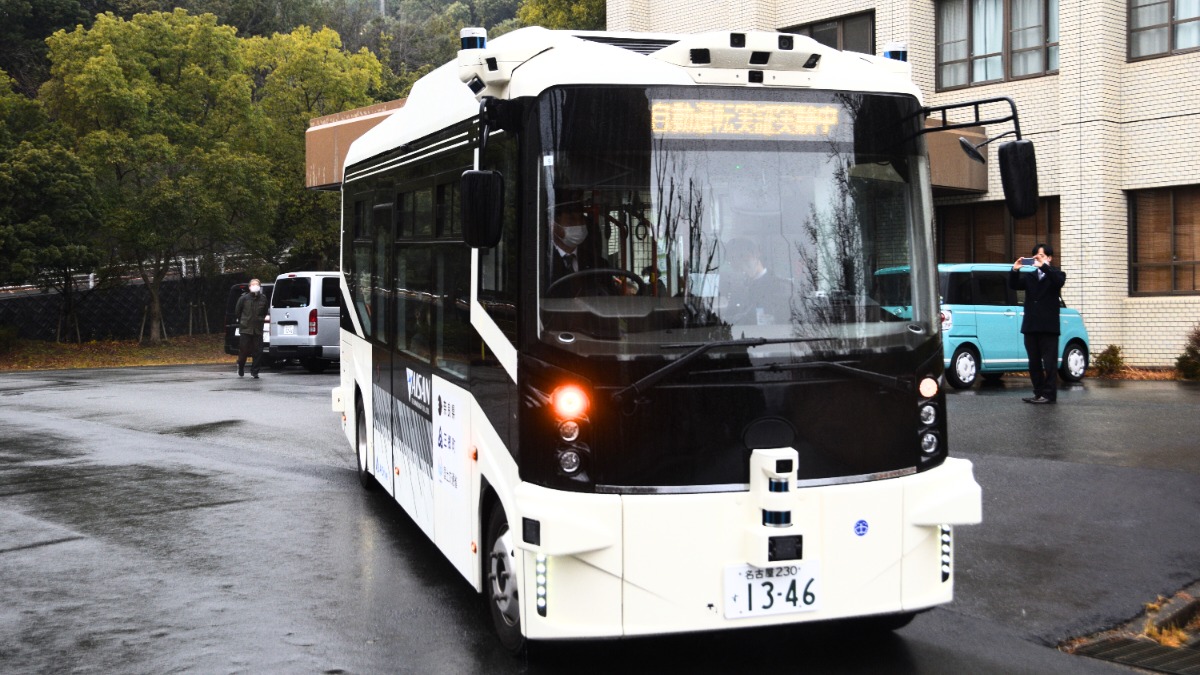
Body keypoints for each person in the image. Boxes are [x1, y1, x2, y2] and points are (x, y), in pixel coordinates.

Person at [1009, 243, 1066, 404]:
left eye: (1042, 256)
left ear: (1049, 258)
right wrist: (1015, 269)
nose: (1039, 259)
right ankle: (1038, 392)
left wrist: (1045, 267)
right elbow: (1013, 285)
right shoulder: (1030, 276)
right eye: (1036, 257)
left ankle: (1049, 395)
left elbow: (1058, 282)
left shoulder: (1056, 273)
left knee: (1049, 363)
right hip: (1031, 326)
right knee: (1034, 363)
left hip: (1049, 327)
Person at [723, 238, 791, 325]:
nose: (742, 263)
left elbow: (788, 322)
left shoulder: (781, 287)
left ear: (756, 254)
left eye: (745, 257)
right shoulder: (738, 289)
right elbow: (728, 322)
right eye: (735, 260)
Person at [234, 279, 270, 378]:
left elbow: (265, 311)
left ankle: (255, 371)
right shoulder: (244, 298)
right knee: (244, 351)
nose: (255, 286)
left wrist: (261, 319)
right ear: (249, 287)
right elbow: (238, 311)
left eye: (257, 284)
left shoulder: (263, 299)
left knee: (258, 351)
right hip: (246, 329)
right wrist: (243, 321)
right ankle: (240, 366)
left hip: (258, 328)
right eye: (253, 284)